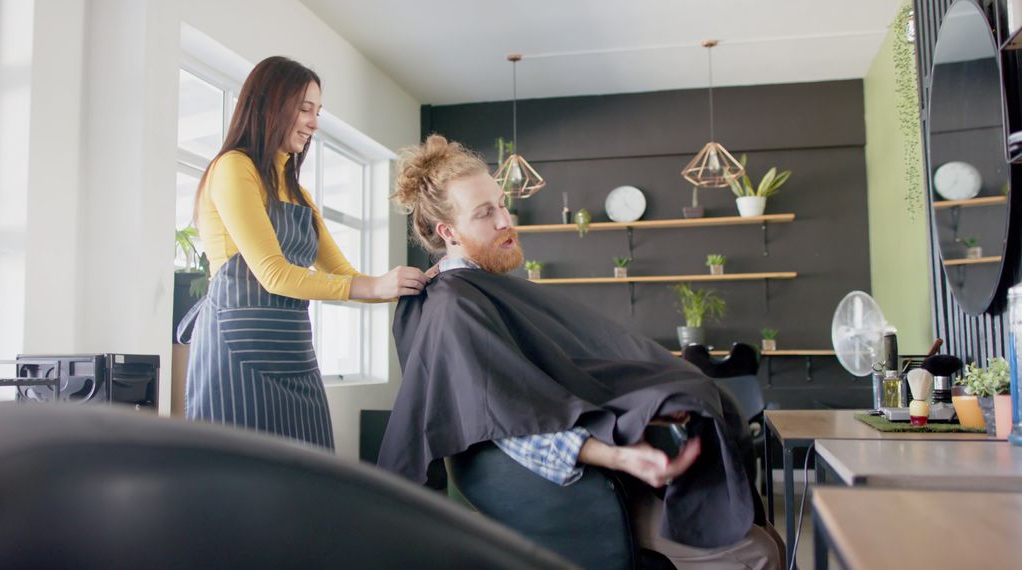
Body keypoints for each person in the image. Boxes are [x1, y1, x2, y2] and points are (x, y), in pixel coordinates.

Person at [379, 135, 783, 569]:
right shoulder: (457, 306)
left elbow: (554, 385)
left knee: (766, 538)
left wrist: (646, 408)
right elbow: (510, 423)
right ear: (448, 232)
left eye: (501, 204)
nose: (505, 220)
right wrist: (619, 454)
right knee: (757, 552)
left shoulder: (481, 291)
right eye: (485, 213)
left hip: (599, 482)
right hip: (571, 497)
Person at [177, 56, 429, 450]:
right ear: (268, 105)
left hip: (293, 349)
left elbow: (342, 271)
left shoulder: (298, 193)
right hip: (237, 350)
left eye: (317, 111)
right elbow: (274, 274)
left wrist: (410, 285)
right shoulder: (233, 168)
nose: (314, 122)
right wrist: (376, 287)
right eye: (304, 109)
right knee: (244, 477)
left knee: (311, 470)